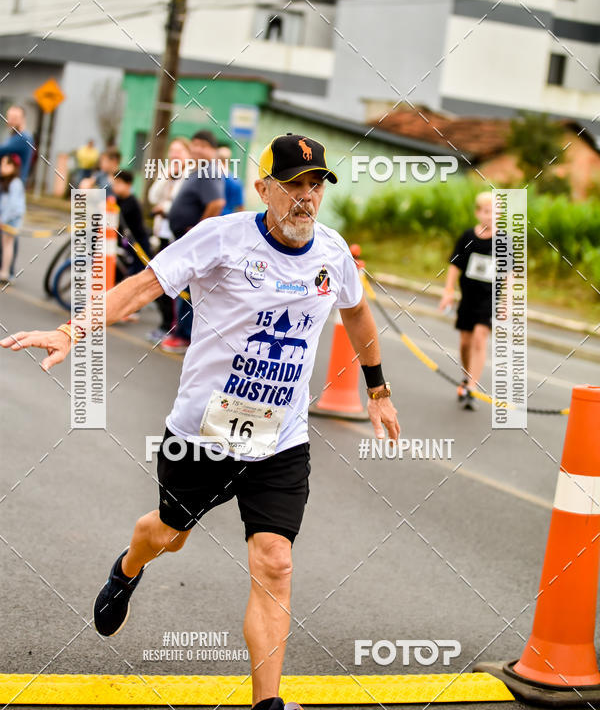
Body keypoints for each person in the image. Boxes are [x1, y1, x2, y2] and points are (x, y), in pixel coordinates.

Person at [1, 132, 401, 710]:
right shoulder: (221, 238)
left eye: (315, 185)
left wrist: (379, 390)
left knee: (276, 560)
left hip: (280, 439)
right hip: (203, 434)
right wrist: (70, 330)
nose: (305, 198)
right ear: (264, 188)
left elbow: (358, 313)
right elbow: (140, 289)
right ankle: (127, 567)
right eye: (292, 186)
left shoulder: (333, 254)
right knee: (170, 535)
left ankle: (268, 704)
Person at [161, 130, 225, 354]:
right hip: (185, 238)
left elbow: (216, 203)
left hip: (195, 242)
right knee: (185, 285)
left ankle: (183, 335)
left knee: (189, 287)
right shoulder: (198, 170)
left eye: (203, 146)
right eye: (194, 144)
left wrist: (198, 231)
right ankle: (180, 331)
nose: (197, 149)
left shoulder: (209, 171)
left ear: (212, 150)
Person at [439, 191, 494, 410]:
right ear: (478, 213)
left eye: (494, 212)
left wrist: (507, 302)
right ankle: (466, 376)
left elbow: (510, 275)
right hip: (468, 297)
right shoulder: (467, 237)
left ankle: (472, 385)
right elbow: (454, 266)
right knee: (465, 343)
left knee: (480, 339)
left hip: (489, 299)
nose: (490, 216)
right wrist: (448, 291)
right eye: (486, 212)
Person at [146, 137, 193, 343]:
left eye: (179, 152)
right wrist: (166, 174)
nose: (174, 155)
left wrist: (165, 208)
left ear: (188, 155)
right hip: (162, 234)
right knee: (158, 281)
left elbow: (180, 204)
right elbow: (153, 197)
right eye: (172, 151)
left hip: (179, 235)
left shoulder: (190, 175)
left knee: (175, 284)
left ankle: (173, 326)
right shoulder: (169, 172)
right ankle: (166, 323)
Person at [110, 170, 151, 277]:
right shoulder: (118, 200)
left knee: (137, 274)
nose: (115, 186)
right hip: (126, 242)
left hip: (138, 244)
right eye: (114, 183)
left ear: (128, 184)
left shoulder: (132, 202)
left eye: (118, 183)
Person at [0, 155, 25, 285]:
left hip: (11, 220)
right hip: (5, 218)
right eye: (1, 164)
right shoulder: (5, 182)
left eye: (6, 164)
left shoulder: (16, 183)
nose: (2, 168)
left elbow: (13, 205)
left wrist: (3, 219)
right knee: (4, 245)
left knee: (8, 245)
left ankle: (5, 272)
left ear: (14, 167)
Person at [0, 105, 35, 185]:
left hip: (14, 183)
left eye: (14, 118)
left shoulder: (23, 137)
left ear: (23, 119)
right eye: (9, 117)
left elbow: (2, 150)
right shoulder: (14, 135)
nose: (10, 120)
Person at [217, 145, 245, 215]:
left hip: (211, 219)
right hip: (227, 220)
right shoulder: (236, 181)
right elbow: (240, 208)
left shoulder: (210, 177)